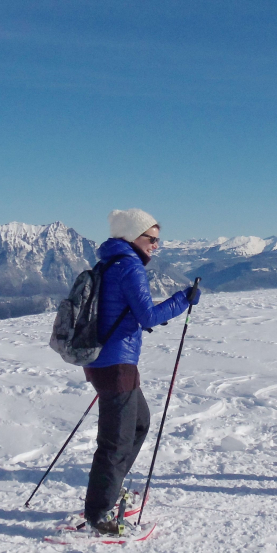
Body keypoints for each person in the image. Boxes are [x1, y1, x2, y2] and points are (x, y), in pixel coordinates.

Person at [82, 208, 200, 534]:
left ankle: (111, 489)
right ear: (133, 237)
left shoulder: (108, 263)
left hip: (106, 362)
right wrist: (183, 299)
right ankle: (99, 513)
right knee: (115, 441)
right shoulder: (130, 267)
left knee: (139, 423)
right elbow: (147, 316)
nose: (156, 246)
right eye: (152, 239)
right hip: (116, 364)